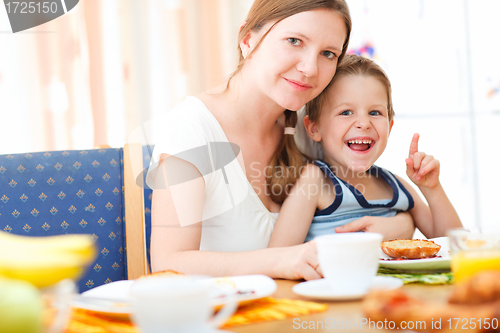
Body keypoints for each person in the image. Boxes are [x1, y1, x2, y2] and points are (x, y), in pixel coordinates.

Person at [147, 1, 414, 281]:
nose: (310, 68)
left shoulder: (311, 126)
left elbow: (366, 202)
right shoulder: (191, 129)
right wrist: (281, 260)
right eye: (294, 41)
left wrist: (402, 225)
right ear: (248, 39)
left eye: (328, 53)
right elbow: (168, 264)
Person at [269, 54, 462, 247]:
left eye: (375, 113)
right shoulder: (315, 180)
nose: (364, 123)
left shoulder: (396, 186)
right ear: (314, 128)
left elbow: (455, 245)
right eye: (346, 112)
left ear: (390, 126)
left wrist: (432, 189)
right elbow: (279, 256)